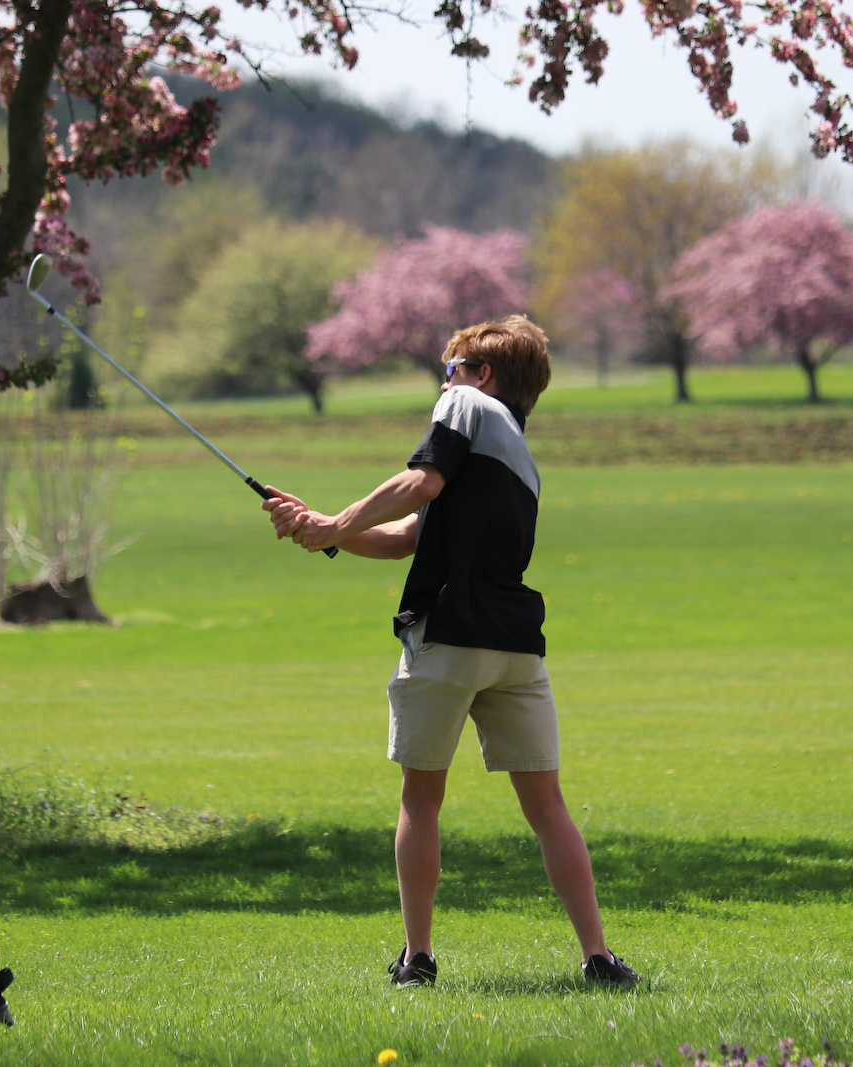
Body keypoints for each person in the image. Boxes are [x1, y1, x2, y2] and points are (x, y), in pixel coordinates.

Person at [261, 315, 639, 990]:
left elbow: (421, 484)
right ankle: (599, 957)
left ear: (482, 375)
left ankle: (417, 958)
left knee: (421, 797)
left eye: (452, 369)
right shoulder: (517, 452)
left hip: (448, 635)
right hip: (515, 647)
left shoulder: (465, 405)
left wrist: (335, 523)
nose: (445, 382)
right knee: (547, 806)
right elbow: (410, 536)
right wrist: (324, 531)